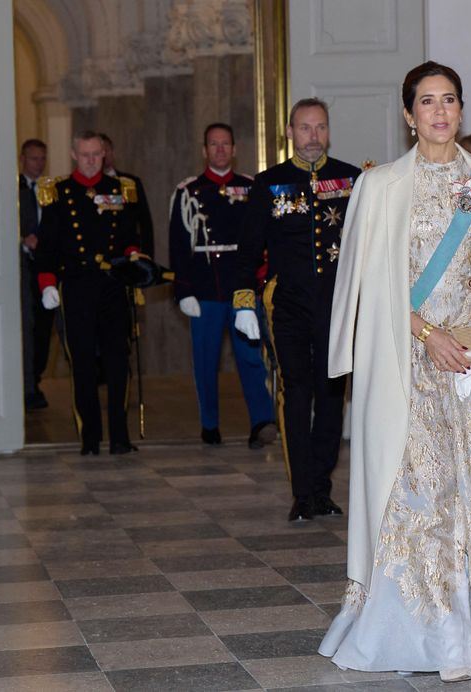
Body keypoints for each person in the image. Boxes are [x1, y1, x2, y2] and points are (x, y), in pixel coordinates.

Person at [318, 61, 471, 682]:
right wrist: (429, 337)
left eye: (449, 99)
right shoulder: (380, 188)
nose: (439, 111)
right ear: (408, 115)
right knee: (420, 496)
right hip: (413, 367)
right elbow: (372, 287)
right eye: (426, 101)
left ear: (460, 108)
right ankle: (428, 635)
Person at [232, 98, 360, 521]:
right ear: (290, 132)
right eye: (305, 128)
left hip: (337, 306)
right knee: (295, 390)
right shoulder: (270, 183)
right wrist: (243, 300)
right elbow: (249, 247)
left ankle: (321, 487)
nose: (313, 136)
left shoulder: (351, 179)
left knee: (330, 395)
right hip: (287, 304)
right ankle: (302, 491)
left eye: (320, 127)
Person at [169, 122, 277, 448]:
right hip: (205, 288)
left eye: (225, 144)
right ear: (204, 150)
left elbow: (265, 237)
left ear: (234, 149)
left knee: (250, 357)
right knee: (205, 359)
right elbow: (178, 244)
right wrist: (183, 290)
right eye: (213, 144)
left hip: (243, 287)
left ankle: (262, 421)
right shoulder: (188, 191)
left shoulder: (251, 186)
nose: (219, 150)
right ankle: (210, 424)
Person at [35, 130, 141, 455]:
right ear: (73, 155)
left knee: (117, 361)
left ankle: (120, 437)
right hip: (77, 286)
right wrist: (47, 283)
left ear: (105, 154)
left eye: (98, 154)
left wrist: (136, 258)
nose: (93, 161)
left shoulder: (120, 190)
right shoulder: (59, 192)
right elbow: (47, 246)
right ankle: (90, 437)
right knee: (81, 363)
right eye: (86, 155)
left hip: (112, 285)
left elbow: (130, 237)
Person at [19, 139, 55, 410]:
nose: (38, 164)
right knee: (25, 328)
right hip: (22, 267)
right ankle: (26, 385)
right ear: (23, 159)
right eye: (34, 159)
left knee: (44, 328)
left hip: (47, 266)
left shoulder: (51, 190)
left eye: (42, 158)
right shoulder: (13, 189)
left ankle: (35, 378)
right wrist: (22, 238)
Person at [99, 133, 156, 258]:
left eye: (105, 150)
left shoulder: (130, 183)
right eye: (98, 152)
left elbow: (144, 222)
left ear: (112, 152)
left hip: (125, 254)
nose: (102, 155)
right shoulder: (87, 187)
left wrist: (146, 256)